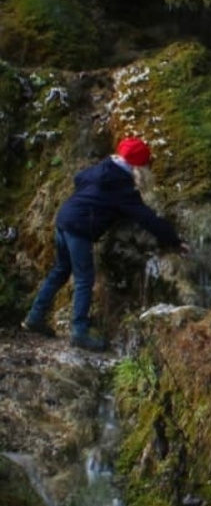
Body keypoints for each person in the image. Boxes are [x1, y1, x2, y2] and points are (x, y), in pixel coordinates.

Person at [22, 136, 189, 351]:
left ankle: (34, 317)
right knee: (84, 279)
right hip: (79, 229)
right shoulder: (123, 188)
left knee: (60, 270)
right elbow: (148, 219)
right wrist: (174, 241)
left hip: (63, 220)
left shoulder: (101, 169)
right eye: (147, 164)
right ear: (138, 166)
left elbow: (78, 178)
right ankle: (79, 332)